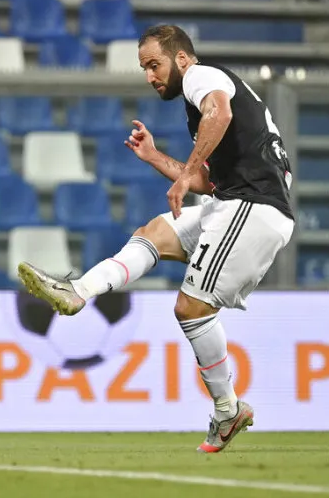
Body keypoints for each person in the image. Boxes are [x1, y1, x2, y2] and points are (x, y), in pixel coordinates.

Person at [17, 24, 294, 453]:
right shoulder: (209, 94)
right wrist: (155, 158)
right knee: (153, 234)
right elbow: (206, 179)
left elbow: (218, 116)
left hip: (254, 207)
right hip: (235, 201)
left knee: (191, 308)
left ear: (182, 59)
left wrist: (183, 176)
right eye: (144, 68)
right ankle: (78, 291)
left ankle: (227, 409)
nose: (149, 76)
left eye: (154, 64)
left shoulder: (202, 78)